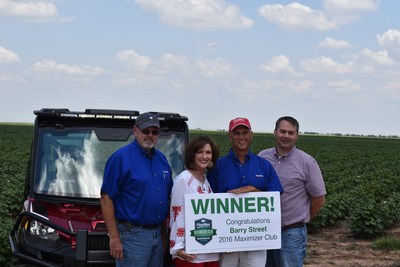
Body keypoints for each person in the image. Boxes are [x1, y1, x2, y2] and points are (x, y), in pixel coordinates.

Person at [208, 117, 284, 267]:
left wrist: (256, 192)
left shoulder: (264, 165)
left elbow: (275, 197)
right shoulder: (218, 166)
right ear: (230, 136)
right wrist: (221, 238)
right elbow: (209, 200)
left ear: (251, 135)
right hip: (226, 241)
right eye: (237, 133)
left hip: (255, 238)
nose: (241, 137)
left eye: (245, 132)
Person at [100, 112, 173, 267]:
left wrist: (163, 232)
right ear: (135, 131)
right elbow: (106, 198)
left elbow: (168, 195)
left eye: (155, 132)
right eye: (146, 131)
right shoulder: (120, 158)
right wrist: (114, 237)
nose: (150, 135)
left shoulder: (162, 159)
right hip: (132, 236)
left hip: (158, 235)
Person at [258, 116, 326, 267]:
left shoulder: (307, 162)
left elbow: (319, 198)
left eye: (291, 133)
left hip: (291, 233)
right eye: (282, 131)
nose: (286, 136)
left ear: (297, 136)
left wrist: (301, 219)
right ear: (275, 132)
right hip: (264, 231)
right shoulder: (262, 157)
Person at [169, 135, 220, 267]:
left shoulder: (205, 180)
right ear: (192, 154)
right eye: (200, 152)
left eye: (208, 152)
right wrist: (178, 249)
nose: (204, 156)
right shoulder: (184, 180)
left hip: (208, 249)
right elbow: (177, 214)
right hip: (190, 252)